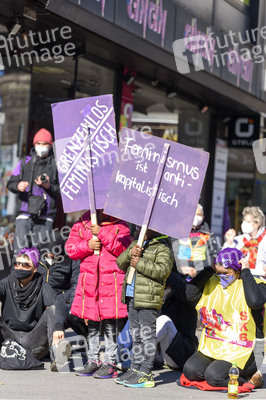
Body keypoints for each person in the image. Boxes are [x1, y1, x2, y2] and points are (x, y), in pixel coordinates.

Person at [182, 247, 266, 389]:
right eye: (218, 273)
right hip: (215, 345)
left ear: (237, 269)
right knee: (190, 370)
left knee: (214, 376)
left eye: (225, 273)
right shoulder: (214, 282)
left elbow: (255, 302)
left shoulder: (256, 284)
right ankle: (227, 371)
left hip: (243, 350)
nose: (221, 277)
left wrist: (245, 272)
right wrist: (209, 270)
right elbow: (189, 294)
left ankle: (250, 378)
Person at [65, 209, 131, 379]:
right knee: (92, 324)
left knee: (110, 324)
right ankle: (93, 360)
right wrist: (88, 245)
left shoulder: (120, 225)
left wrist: (101, 233)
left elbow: (123, 250)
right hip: (90, 282)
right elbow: (71, 249)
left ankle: (110, 363)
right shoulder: (81, 224)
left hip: (112, 282)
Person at [115, 229, 173, 388]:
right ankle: (135, 368)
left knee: (147, 335)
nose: (142, 229)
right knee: (136, 335)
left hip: (148, 298)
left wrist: (139, 263)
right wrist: (130, 254)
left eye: (147, 227)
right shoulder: (137, 243)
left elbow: (163, 271)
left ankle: (146, 372)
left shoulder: (163, 248)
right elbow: (120, 263)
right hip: (132, 295)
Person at [0, 247, 70, 371]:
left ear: (35, 269)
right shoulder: (6, 283)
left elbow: (60, 305)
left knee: (52, 310)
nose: (20, 267)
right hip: (8, 341)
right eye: (17, 263)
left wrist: (58, 326)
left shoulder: (43, 285)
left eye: (26, 265)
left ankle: (57, 354)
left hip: (33, 342)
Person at [7, 128, 60, 256]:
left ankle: (39, 276)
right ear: (34, 144)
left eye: (45, 144)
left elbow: (62, 192)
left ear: (50, 145)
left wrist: (48, 186)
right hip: (24, 214)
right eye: (38, 143)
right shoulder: (24, 162)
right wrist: (18, 185)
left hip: (45, 215)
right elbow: (10, 184)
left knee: (41, 253)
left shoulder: (56, 164)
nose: (41, 147)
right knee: (19, 252)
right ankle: (18, 275)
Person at [37, 231, 88, 342]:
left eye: (54, 254)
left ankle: (87, 338)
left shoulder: (71, 259)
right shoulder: (36, 258)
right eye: (48, 253)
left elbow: (76, 284)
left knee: (73, 312)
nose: (51, 256)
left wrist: (65, 301)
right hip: (42, 297)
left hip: (64, 296)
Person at [155, 269, 199, 370]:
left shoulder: (184, 299)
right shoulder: (158, 299)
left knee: (164, 320)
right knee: (137, 317)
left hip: (179, 355)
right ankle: (123, 357)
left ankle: (135, 357)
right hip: (159, 356)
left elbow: (181, 288)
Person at [172, 204, 218, 279]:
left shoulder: (209, 234)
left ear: (203, 217)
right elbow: (172, 253)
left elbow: (212, 256)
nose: (196, 217)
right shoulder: (178, 232)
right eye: (193, 214)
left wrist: (196, 270)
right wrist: (181, 268)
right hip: (179, 274)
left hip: (200, 275)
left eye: (198, 214)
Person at [223, 206, 266, 277]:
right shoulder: (239, 240)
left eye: (248, 222)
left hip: (259, 281)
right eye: (244, 221)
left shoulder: (264, 240)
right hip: (239, 278)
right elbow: (224, 260)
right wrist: (229, 243)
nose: (244, 224)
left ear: (257, 223)